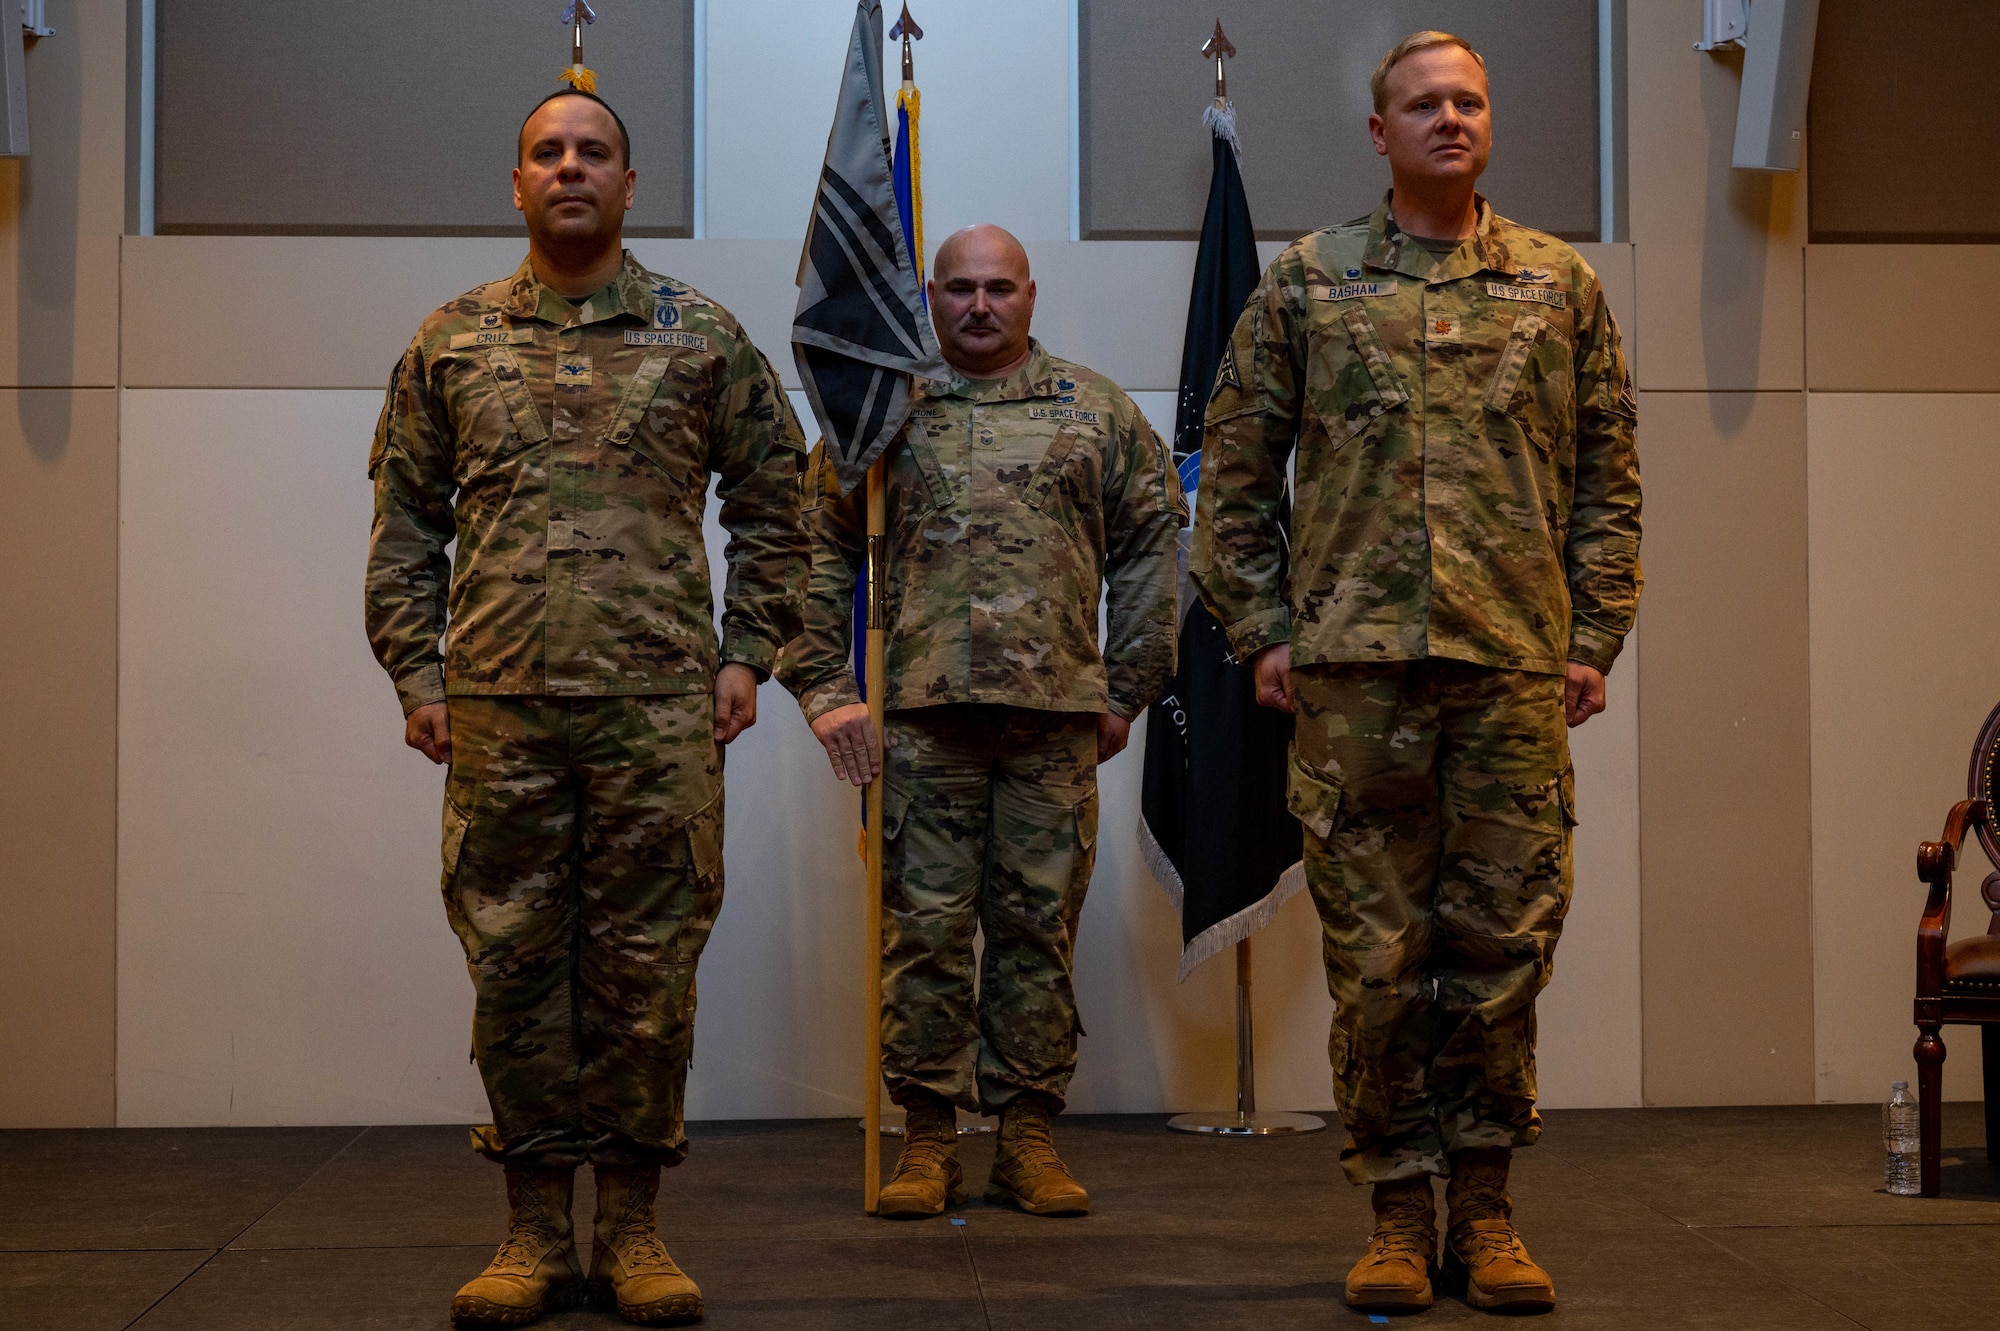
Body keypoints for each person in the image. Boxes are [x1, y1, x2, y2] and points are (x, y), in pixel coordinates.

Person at [1191, 31, 1641, 1316]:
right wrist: (1266, 630)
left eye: (1469, 101)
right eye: (1422, 103)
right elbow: (1229, 475)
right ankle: (1395, 1209)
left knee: (1499, 948)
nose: (1450, 118)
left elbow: (1609, 478)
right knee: (1379, 960)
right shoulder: (1306, 286)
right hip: (1353, 682)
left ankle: (1486, 1211)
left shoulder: (1560, 286)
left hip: (1508, 670)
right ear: (1377, 133)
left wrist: (1588, 634)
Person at [364, 88, 806, 1328]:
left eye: (592, 152)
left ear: (627, 182)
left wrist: (747, 653)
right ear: (516, 184)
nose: (570, 167)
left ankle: (630, 1226)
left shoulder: (701, 337)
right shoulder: (451, 341)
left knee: (645, 969)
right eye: (547, 152)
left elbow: (778, 505)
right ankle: (527, 1232)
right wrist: (418, 671)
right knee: (512, 966)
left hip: (659, 709)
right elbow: (405, 525)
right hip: (499, 708)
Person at [778, 224, 1185, 1220]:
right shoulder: (880, 410)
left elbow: (1152, 543)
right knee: (921, 934)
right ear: (927, 294)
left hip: (1053, 722)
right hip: (921, 720)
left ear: (1030, 294)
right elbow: (810, 550)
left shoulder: (1093, 410)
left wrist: (1126, 683)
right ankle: (924, 1139)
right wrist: (824, 685)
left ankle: (1026, 1136)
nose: (977, 304)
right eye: (958, 288)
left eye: (997, 287)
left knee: (1034, 931)